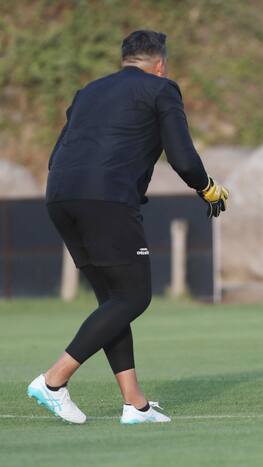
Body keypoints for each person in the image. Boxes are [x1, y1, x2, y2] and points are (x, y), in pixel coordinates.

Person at [27, 30, 230, 424]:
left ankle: (134, 405)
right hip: (106, 200)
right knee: (134, 297)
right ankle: (53, 381)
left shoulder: (88, 92)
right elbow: (182, 157)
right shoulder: (161, 89)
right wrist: (206, 187)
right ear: (159, 64)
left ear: (125, 60)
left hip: (60, 197)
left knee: (115, 302)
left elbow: (58, 153)